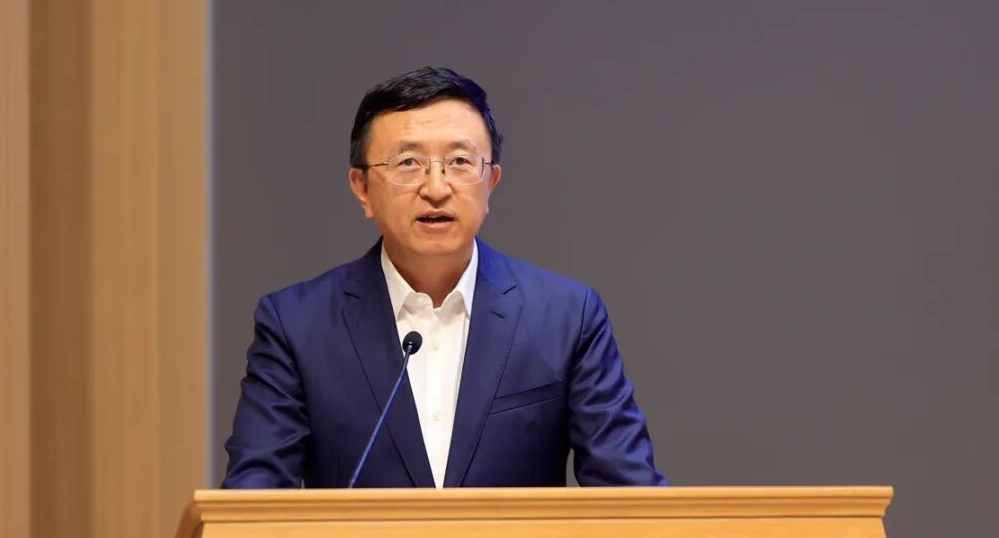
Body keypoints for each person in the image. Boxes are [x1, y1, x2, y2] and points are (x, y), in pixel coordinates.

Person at [222, 66, 666, 489]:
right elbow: (253, 503)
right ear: (362, 188)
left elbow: (631, 495)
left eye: (459, 161)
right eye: (408, 163)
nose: (436, 188)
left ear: (490, 183)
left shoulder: (565, 318)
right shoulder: (298, 325)